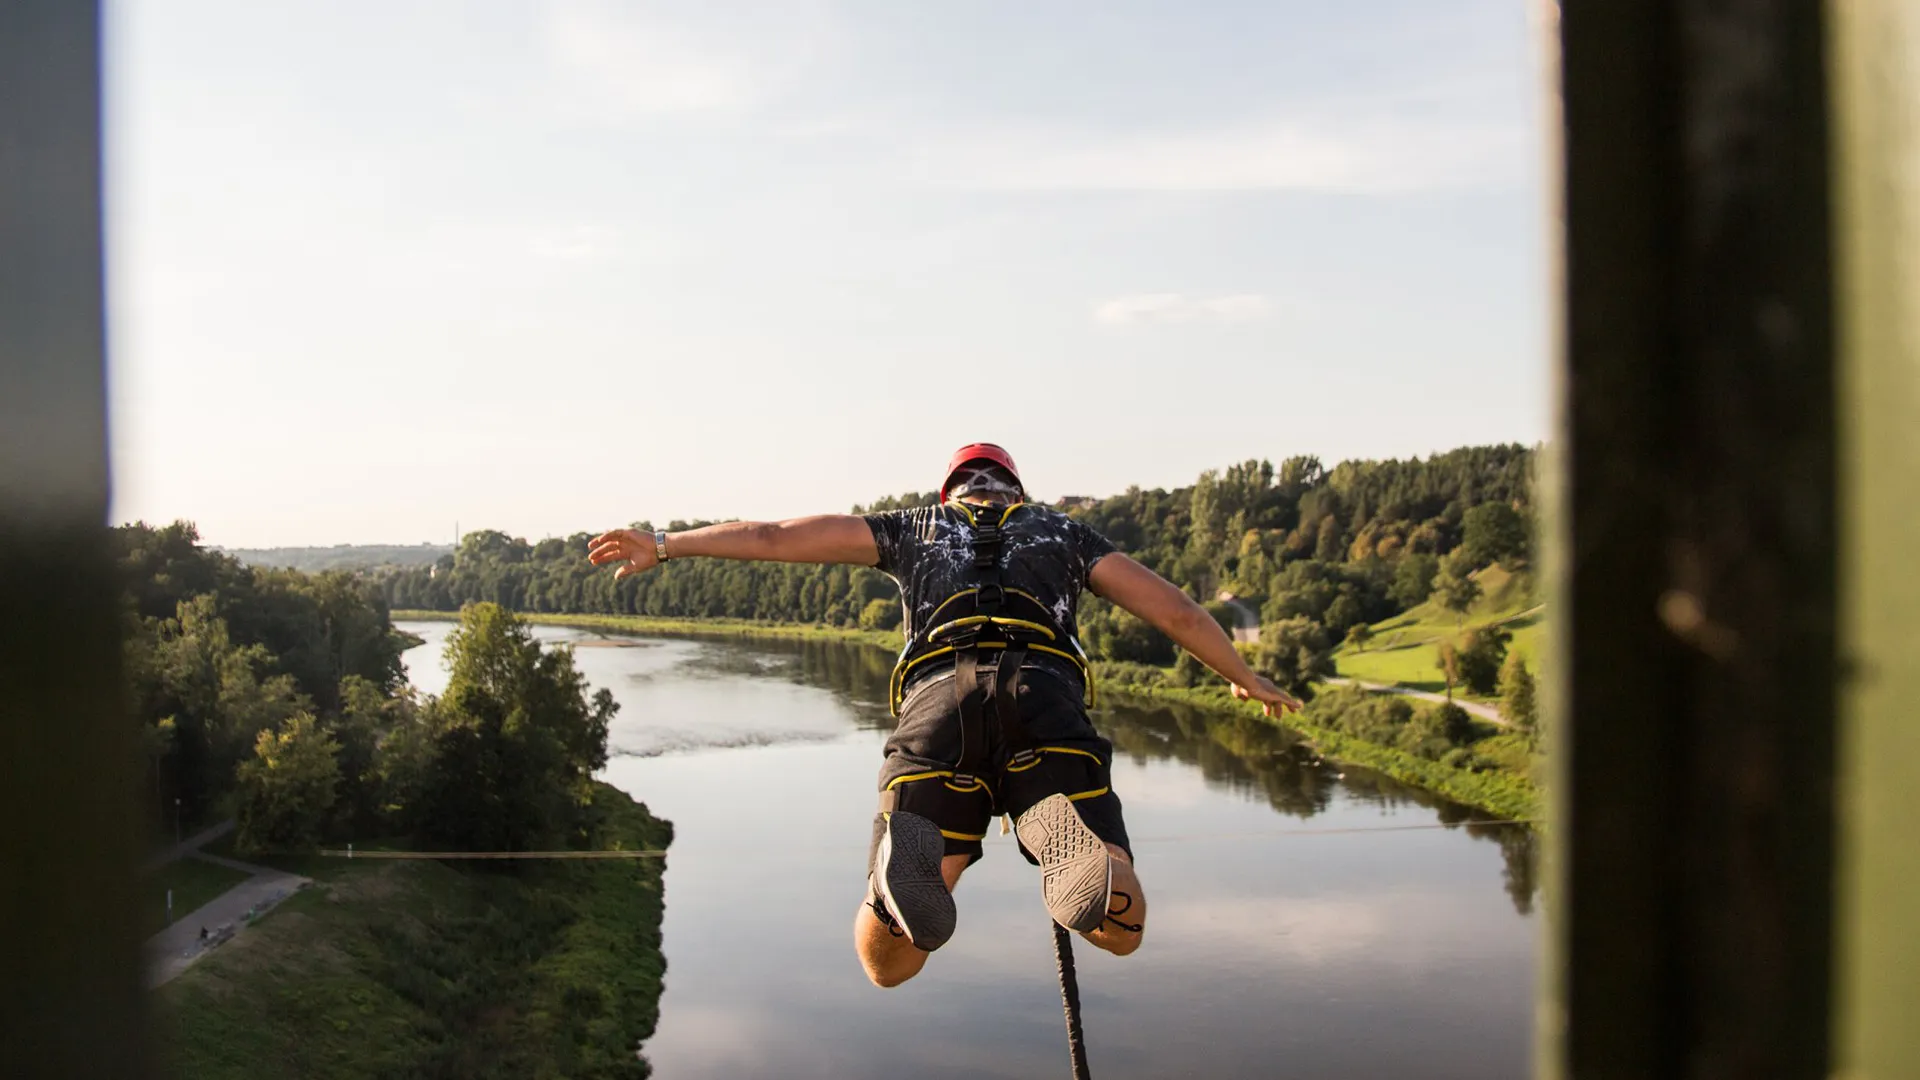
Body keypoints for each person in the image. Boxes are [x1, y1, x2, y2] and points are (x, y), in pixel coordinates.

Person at [587, 443, 1301, 988]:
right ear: (1016, 491)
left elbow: (776, 537)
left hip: (937, 709)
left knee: (886, 965)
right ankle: (1083, 859)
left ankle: (898, 891)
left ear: (952, 491)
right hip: (1044, 699)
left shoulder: (911, 528)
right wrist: (1242, 676)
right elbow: (1174, 609)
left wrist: (667, 543)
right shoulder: (1065, 534)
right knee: (1122, 931)